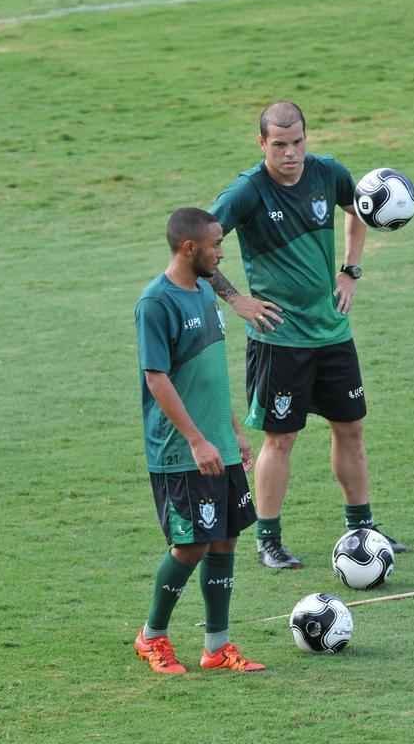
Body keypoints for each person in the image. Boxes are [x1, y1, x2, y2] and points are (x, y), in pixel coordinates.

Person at [208, 100, 407, 570]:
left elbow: (357, 208)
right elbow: (200, 243)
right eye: (279, 145)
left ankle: (361, 526)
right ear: (262, 144)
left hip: (332, 331)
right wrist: (237, 299)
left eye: (297, 142)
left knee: (351, 428)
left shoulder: (328, 173)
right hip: (280, 339)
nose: (290, 153)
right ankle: (268, 539)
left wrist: (350, 269)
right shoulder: (247, 192)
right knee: (281, 438)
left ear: (306, 138)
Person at [133, 206, 266, 674]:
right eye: (215, 245)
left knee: (225, 539)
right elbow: (158, 379)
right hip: (181, 449)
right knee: (190, 545)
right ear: (189, 247)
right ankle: (152, 637)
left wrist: (230, 431)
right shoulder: (157, 302)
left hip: (218, 444)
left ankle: (217, 647)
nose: (220, 252)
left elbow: (205, 375)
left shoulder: (204, 294)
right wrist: (195, 440)